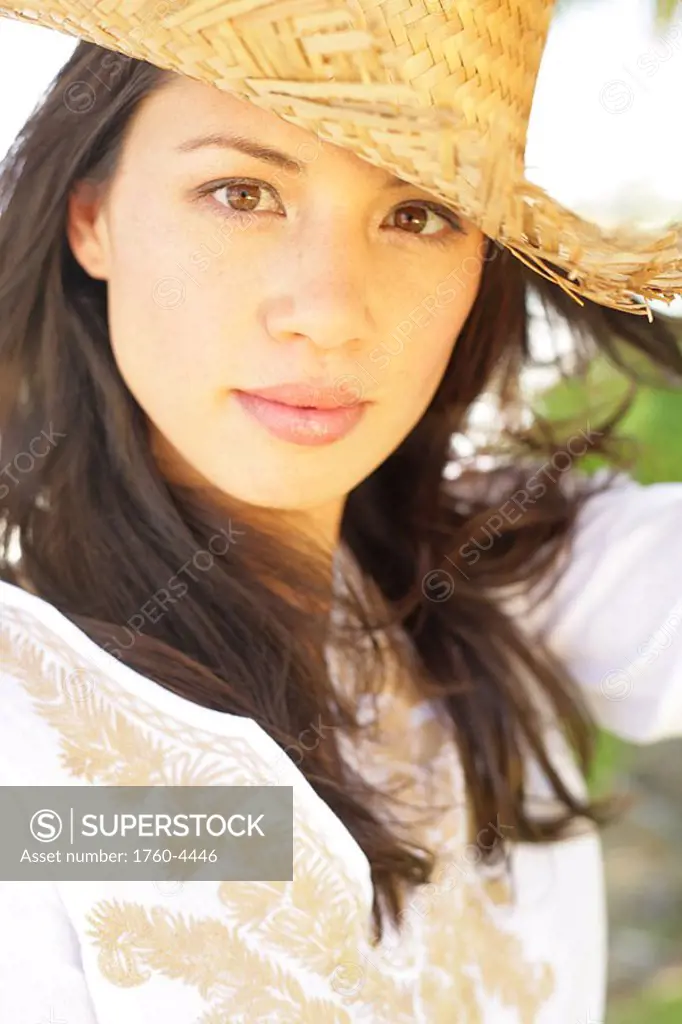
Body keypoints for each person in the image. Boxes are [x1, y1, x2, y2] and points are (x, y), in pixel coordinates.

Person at [0, 1, 681, 1022]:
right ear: (90, 216)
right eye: (241, 192)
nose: (327, 308)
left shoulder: (510, 568)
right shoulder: (33, 735)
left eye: (418, 213)